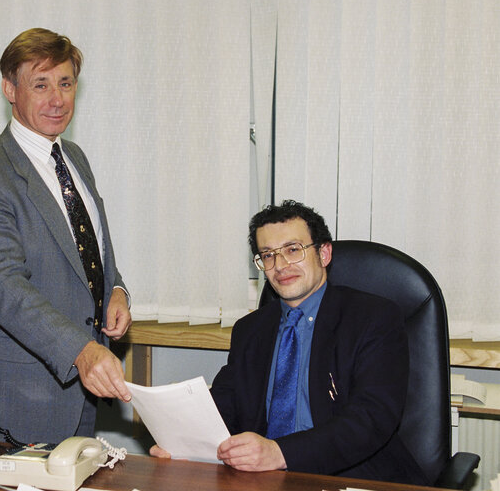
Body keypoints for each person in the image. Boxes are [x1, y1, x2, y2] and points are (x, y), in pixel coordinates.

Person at [151, 200, 428, 485]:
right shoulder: (251, 329)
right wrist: (185, 441)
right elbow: (227, 401)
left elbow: (370, 419)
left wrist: (280, 452)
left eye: (293, 250)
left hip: (350, 477)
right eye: (268, 255)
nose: (280, 266)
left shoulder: (373, 318)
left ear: (324, 253)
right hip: (262, 480)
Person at [0, 28, 132, 444]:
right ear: (9, 89)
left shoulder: (75, 159)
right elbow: (3, 287)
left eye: (66, 83)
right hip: (20, 397)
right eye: (41, 84)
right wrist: (81, 351)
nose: (57, 99)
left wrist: (116, 289)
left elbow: (91, 248)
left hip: (83, 395)